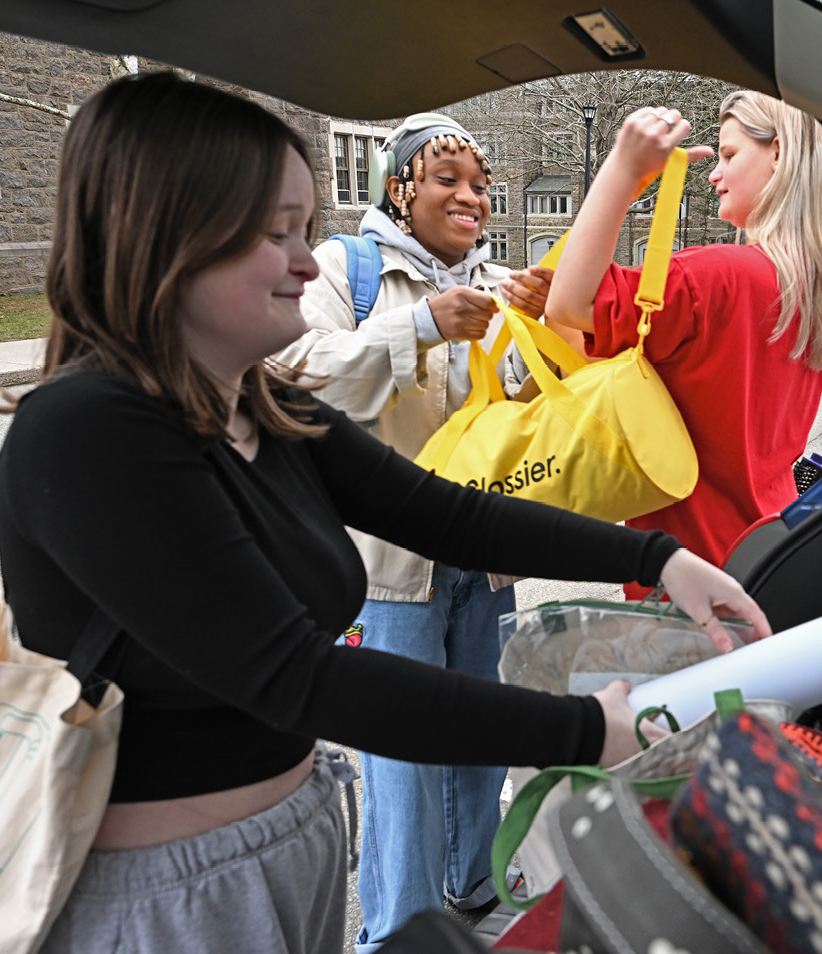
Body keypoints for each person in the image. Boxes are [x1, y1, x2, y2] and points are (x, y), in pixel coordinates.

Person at [0, 72, 770, 954]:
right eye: (274, 232)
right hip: (166, 895)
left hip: (291, 840)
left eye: (304, 227)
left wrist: (657, 560)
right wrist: (589, 731)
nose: (303, 259)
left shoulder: (261, 407)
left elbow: (448, 515)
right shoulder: (90, 430)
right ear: (165, 241)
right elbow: (298, 677)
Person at [273, 113, 561, 947]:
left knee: (481, 737)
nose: (470, 197)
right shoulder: (345, 268)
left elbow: (525, 414)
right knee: (400, 763)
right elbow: (293, 374)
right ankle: (399, 933)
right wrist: (425, 324)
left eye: (478, 183)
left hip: (484, 558)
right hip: (387, 569)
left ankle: (473, 892)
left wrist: (548, 333)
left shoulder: (501, 281)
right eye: (447, 179)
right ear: (399, 188)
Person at [546, 92, 822, 598]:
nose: (714, 173)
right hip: (765, 553)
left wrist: (625, 169)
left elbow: (570, 304)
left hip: (688, 577)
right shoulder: (811, 292)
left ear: (780, 152)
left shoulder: (712, 277)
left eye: (729, 155)